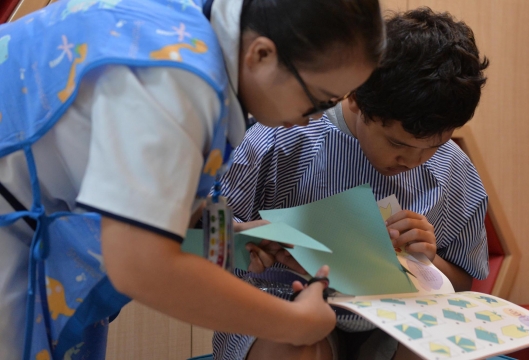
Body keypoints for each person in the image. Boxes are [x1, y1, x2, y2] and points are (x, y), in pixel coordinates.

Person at [0, 0, 385, 358]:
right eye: (319, 100)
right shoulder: (178, 78)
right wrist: (295, 323)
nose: (314, 118)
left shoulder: (194, 29)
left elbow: (147, 205)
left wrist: (233, 238)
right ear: (261, 54)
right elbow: (142, 267)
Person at [214, 7, 490, 360]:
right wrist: (257, 242)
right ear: (356, 96)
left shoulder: (454, 168)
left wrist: (425, 261)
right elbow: (204, 240)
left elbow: (462, 283)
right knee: (295, 350)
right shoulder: (281, 135)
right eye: (398, 144)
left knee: (435, 349)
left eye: (433, 147)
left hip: (396, 316)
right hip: (280, 300)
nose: (413, 161)